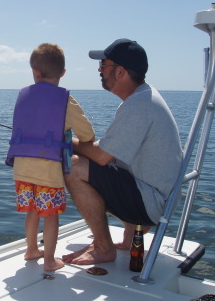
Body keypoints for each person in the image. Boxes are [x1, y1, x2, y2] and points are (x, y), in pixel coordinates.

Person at [62, 39, 183, 265]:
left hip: (150, 203)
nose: (99, 70)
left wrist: (65, 141)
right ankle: (129, 238)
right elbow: (112, 155)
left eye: (104, 65)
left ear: (120, 72)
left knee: (74, 166)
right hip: (155, 196)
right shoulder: (143, 98)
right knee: (104, 165)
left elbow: (101, 156)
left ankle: (103, 248)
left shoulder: (139, 105)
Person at [6, 43, 95, 271]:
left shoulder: (23, 95)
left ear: (35, 72)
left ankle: (31, 250)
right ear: (62, 73)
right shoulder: (65, 99)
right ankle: (48, 261)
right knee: (51, 214)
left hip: (22, 168)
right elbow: (87, 133)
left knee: (33, 210)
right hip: (48, 170)